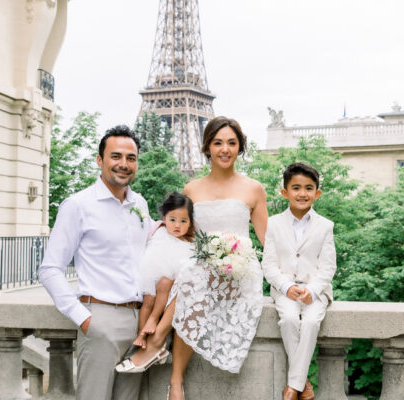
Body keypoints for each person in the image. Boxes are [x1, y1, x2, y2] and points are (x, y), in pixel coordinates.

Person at [126, 116, 268, 400]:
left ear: (240, 147)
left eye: (231, 142)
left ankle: (154, 344)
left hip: (239, 271)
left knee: (193, 279)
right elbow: (184, 234)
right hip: (202, 266)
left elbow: (268, 241)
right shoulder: (191, 189)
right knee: (191, 276)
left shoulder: (254, 189)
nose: (224, 149)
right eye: (218, 142)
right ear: (207, 147)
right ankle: (176, 381)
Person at [39, 125, 150, 400]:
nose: (123, 164)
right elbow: (50, 268)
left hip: (139, 323)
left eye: (131, 158)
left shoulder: (141, 204)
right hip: (101, 318)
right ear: (100, 160)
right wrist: (85, 319)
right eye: (116, 156)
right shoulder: (78, 205)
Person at [262, 162, 337, 400]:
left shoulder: (325, 226)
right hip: (284, 289)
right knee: (289, 320)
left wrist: (312, 290)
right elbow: (269, 265)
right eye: (296, 187)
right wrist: (286, 286)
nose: (302, 193)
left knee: (312, 321)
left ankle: (292, 387)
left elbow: (328, 266)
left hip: (316, 290)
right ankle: (302, 383)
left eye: (308, 188)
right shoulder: (274, 223)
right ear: (285, 192)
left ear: (317, 193)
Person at [115, 192, 195, 373]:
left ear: (190, 223)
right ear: (164, 218)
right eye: (172, 219)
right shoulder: (159, 232)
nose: (177, 225)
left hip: (168, 284)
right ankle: (142, 337)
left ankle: (152, 324)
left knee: (165, 284)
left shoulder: (189, 243)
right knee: (148, 300)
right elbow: (138, 223)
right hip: (152, 274)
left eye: (183, 221)